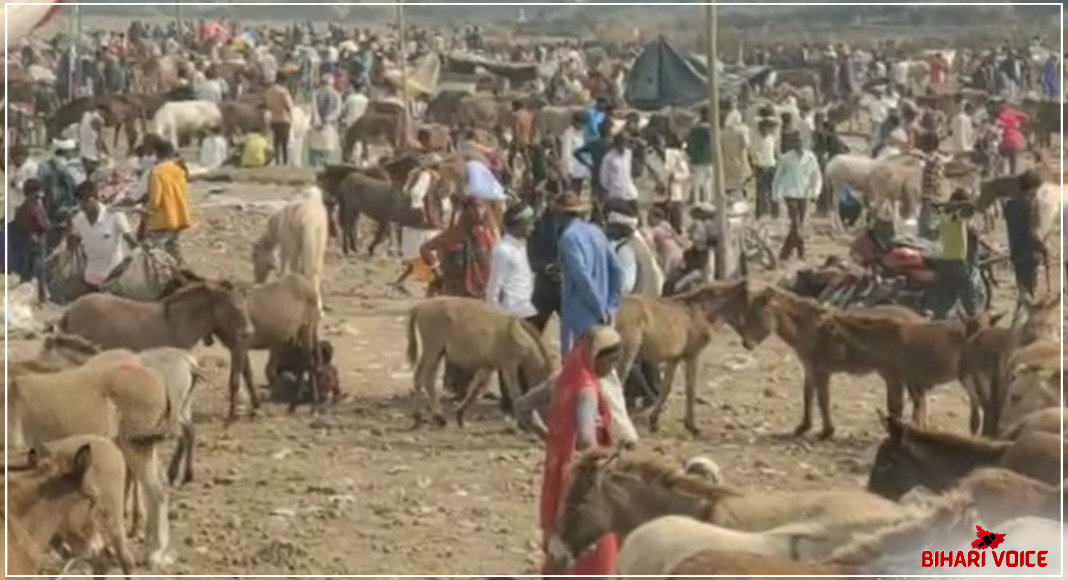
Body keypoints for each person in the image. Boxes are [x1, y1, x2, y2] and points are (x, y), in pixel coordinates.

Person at [538, 325, 624, 578]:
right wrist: (604, 459)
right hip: (581, 478)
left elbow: (523, 408)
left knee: (560, 538)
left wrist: (554, 440)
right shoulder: (587, 390)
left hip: (557, 468)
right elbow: (587, 439)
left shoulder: (563, 378)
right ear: (598, 356)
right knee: (592, 545)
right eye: (612, 360)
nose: (613, 367)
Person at [555, 192, 623, 354]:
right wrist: (611, 307)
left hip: (579, 316)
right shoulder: (597, 232)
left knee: (577, 367)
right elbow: (617, 270)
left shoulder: (568, 238)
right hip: (604, 313)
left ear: (559, 215)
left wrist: (599, 309)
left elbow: (582, 278)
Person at [68, 180, 137, 292]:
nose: (83, 205)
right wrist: (69, 233)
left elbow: (131, 240)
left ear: (96, 198)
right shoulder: (78, 219)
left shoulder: (115, 215)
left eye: (86, 201)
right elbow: (72, 245)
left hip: (114, 279)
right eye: (80, 202)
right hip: (91, 279)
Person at [1002, 169, 1045, 324]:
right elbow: (1032, 231)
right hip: (1029, 254)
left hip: (1016, 252)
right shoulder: (1030, 205)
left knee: (1022, 291)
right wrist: (1042, 246)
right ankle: (1023, 326)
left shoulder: (1010, 204)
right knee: (1028, 294)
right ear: (1032, 187)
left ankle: (1018, 323)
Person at [772, 131, 822, 262]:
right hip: (790, 193)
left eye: (800, 142)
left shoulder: (810, 158)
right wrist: (775, 195)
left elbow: (816, 176)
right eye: (795, 142)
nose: (798, 145)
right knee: (796, 223)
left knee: (798, 226)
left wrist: (815, 192)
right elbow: (777, 177)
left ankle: (785, 253)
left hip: (804, 194)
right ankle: (801, 253)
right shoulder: (787, 158)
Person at [141, 140, 191, 265]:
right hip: (179, 217)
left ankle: (164, 281)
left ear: (157, 154)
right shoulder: (179, 171)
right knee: (174, 251)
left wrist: (145, 209)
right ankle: (183, 275)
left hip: (162, 220)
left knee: (158, 254)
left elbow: (155, 201)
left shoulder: (157, 172)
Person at [485, 203, 537, 321]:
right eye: (529, 224)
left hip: (526, 309)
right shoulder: (503, 251)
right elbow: (493, 289)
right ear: (517, 225)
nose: (533, 228)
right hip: (511, 315)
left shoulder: (522, 245)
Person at [935, 188, 979, 318]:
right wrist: (965, 204)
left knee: (946, 303)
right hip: (957, 263)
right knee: (970, 303)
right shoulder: (957, 217)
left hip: (944, 262)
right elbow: (970, 209)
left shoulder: (944, 216)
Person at [11, 179, 50, 301]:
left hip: (26, 239)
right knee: (39, 268)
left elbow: (18, 222)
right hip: (37, 239)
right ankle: (42, 295)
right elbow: (44, 224)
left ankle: (31, 292)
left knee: (27, 267)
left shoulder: (23, 207)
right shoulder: (35, 206)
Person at [599, 133, 639, 215]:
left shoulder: (628, 153)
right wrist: (608, 191)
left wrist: (632, 139)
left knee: (636, 217)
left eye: (625, 144)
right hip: (616, 194)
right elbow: (604, 178)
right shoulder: (609, 157)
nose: (623, 147)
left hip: (629, 191)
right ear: (616, 144)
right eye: (621, 144)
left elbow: (642, 145)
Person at [658, 133, 689, 233]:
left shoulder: (676, 155)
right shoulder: (652, 155)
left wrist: (674, 176)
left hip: (674, 194)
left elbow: (685, 173)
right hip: (659, 196)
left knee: (676, 225)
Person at [309, 74, 341, 167]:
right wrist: (327, 120)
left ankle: (315, 167)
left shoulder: (316, 93)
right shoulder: (336, 95)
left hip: (316, 126)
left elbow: (313, 108)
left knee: (315, 149)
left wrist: (317, 120)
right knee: (327, 149)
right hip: (329, 126)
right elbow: (337, 111)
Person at [264, 74, 296, 165]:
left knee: (276, 142)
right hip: (284, 118)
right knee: (285, 143)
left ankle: (277, 161)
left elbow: (268, 105)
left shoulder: (269, 91)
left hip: (273, 119)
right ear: (283, 81)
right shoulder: (283, 92)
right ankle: (285, 162)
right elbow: (288, 105)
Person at [751, 117, 779, 220]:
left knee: (773, 191)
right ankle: (759, 213)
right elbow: (754, 154)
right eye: (764, 128)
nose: (766, 130)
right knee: (761, 192)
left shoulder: (771, 138)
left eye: (768, 128)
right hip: (761, 167)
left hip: (771, 166)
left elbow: (774, 152)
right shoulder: (756, 139)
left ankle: (774, 213)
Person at [686, 106, 713, 204]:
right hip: (708, 159)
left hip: (697, 159)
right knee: (707, 182)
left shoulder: (694, 128)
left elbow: (689, 144)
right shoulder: (710, 128)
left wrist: (690, 156)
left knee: (697, 182)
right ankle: (706, 201)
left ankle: (697, 201)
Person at [8, 145, 39, 223]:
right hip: (12, 199)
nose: (13, 159)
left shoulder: (32, 167)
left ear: (22, 156)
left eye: (15, 157)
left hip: (25, 200)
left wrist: (17, 185)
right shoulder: (13, 166)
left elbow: (32, 185)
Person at [559, 112, 589, 193]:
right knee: (570, 196)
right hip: (572, 173)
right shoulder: (568, 134)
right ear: (574, 122)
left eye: (583, 124)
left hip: (581, 171)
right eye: (580, 123)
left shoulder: (583, 134)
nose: (582, 126)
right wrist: (569, 172)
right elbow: (566, 154)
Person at [996, 101, 1026, 175]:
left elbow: (998, 125)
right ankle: (1012, 173)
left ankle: (1000, 172)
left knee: (1001, 157)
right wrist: (1020, 125)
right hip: (1014, 140)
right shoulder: (1013, 114)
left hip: (1005, 140)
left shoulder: (1001, 116)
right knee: (1013, 159)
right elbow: (1025, 117)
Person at [78, 103, 109, 176]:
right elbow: (99, 141)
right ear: (103, 111)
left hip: (83, 154)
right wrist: (101, 155)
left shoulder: (85, 115)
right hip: (93, 157)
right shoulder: (98, 121)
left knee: (88, 179)